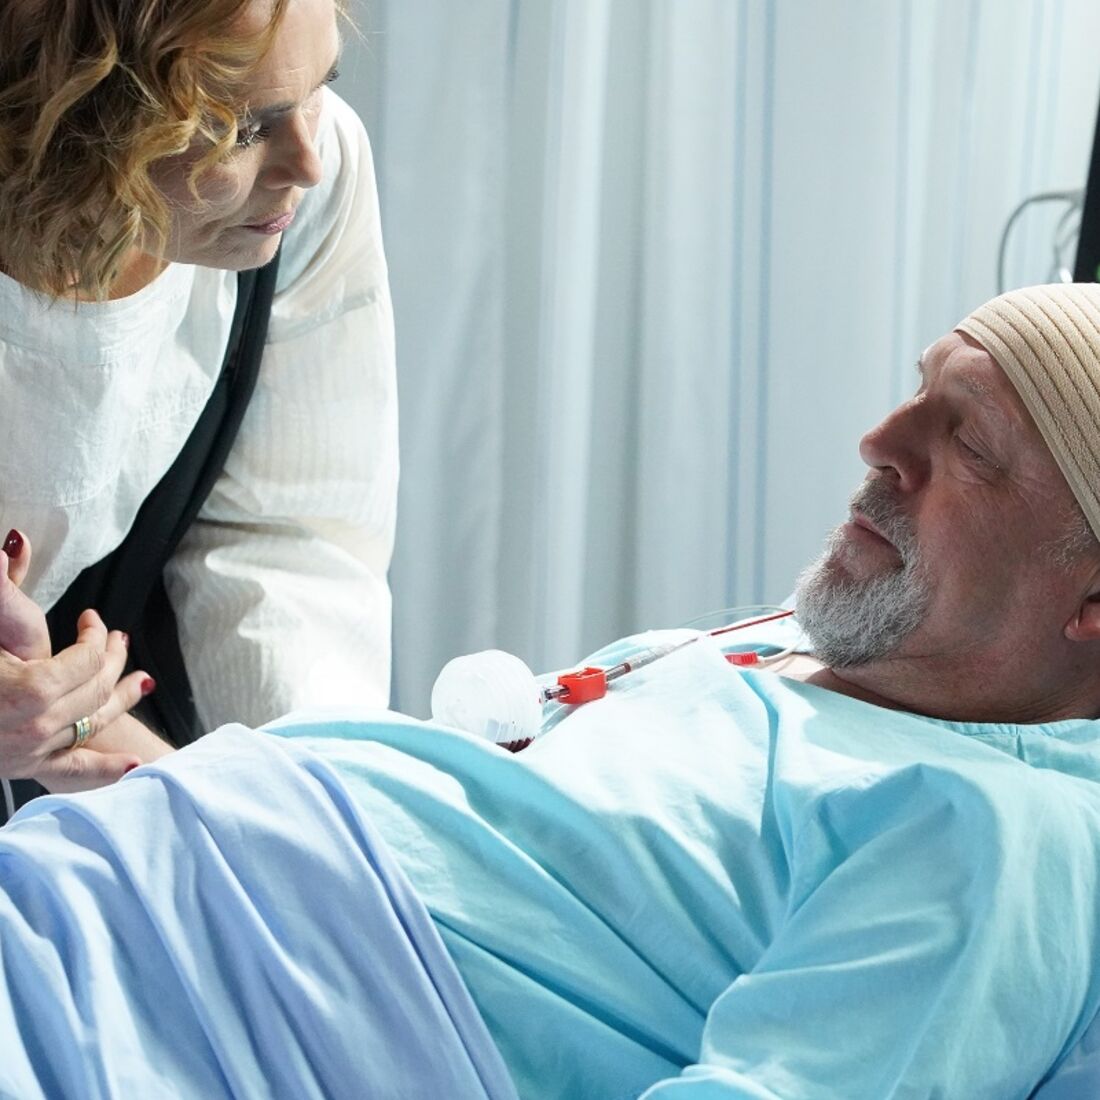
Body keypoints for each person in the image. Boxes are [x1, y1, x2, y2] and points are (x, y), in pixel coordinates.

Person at [3, 282, 1100, 1098]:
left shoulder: (1001, 837)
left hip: (198, 1018)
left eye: (969, 444)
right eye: (917, 391)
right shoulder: (795, 652)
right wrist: (69, 716)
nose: (880, 442)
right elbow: (467, 868)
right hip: (136, 908)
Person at [0, 0, 398, 807]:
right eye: (241, 128)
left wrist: (309, 809)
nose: (306, 162)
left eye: (320, 87)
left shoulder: (310, 181)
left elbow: (287, 546)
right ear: (73, 114)